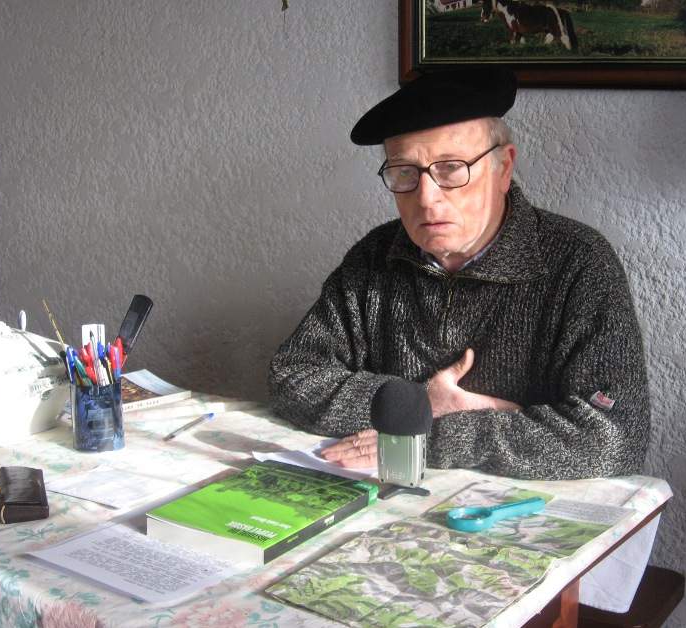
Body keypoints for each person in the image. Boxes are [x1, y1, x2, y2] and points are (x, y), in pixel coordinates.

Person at [269, 68, 649, 480]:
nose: (427, 199)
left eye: (451, 168)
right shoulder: (376, 255)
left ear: (504, 168)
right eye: (404, 172)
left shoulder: (579, 262)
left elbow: (615, 437)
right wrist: (422, 403)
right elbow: (292, 374)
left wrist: (428, 435)